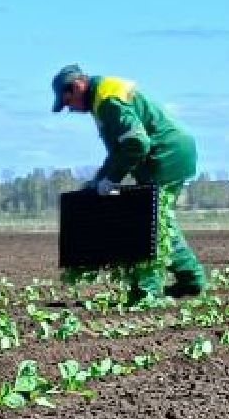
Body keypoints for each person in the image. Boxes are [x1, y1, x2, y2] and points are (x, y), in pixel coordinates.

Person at [51, 64, 205, 304]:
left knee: (154, 222)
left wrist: (111, 180)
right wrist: (100, 180)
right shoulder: (101, 100)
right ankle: (190, 281)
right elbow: (119, 151)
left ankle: (148, 290)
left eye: (67, 101)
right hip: (161, 156)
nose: (69, 109)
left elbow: (137, 142)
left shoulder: (108, 100)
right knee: (157, 220)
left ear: (78, 86)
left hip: (167, 154)